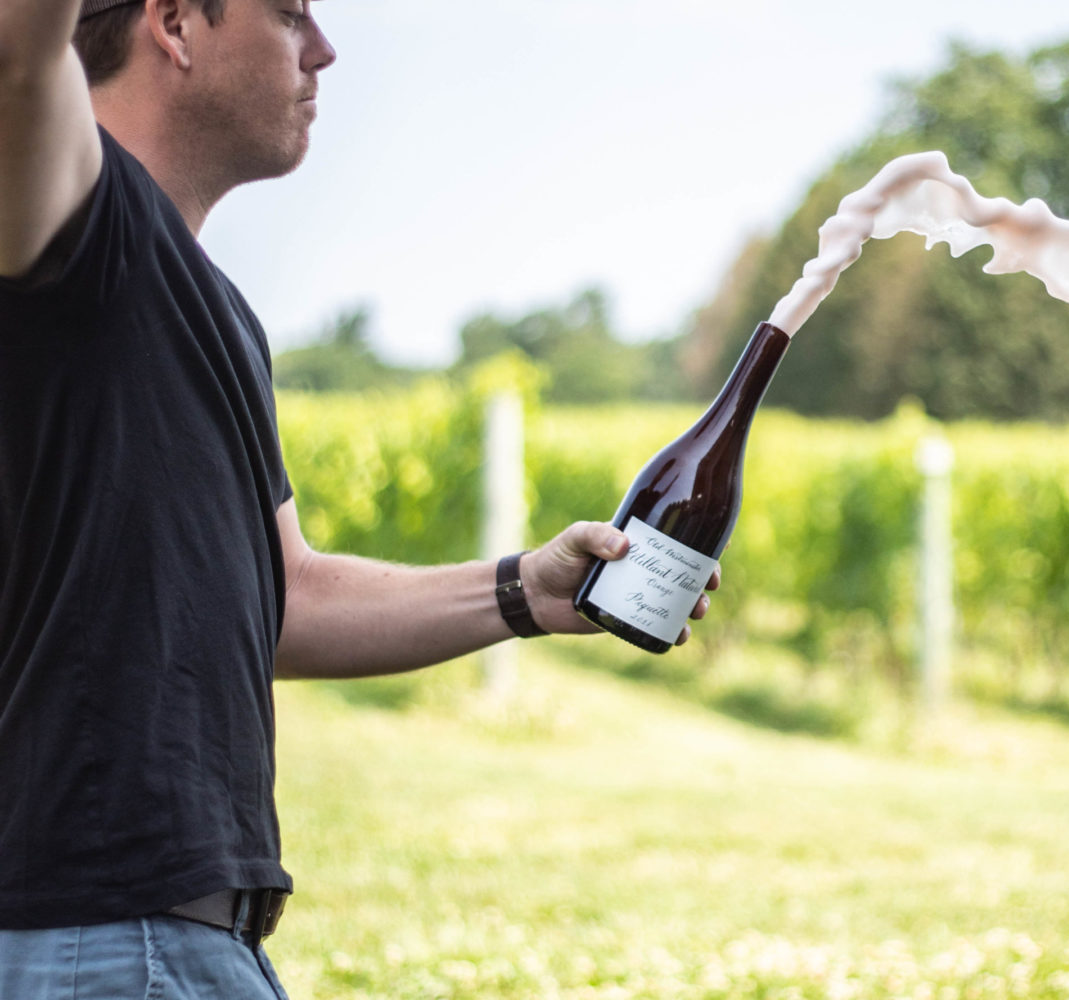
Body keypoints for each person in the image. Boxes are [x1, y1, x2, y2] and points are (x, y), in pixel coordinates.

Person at [0, 1, 718, 996]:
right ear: (173, 24)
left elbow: (287, 597)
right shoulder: (74, 215)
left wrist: (528, 592)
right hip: (103, 938)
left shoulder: (216, 310)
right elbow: (17, 52)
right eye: (290, 15)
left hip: (194, 940)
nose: (325, 50)